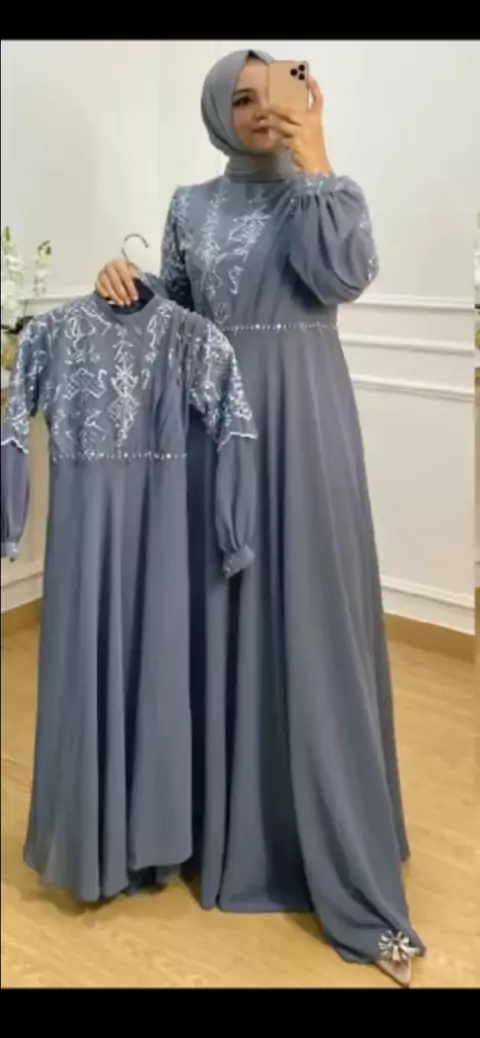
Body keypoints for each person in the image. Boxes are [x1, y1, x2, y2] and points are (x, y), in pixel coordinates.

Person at [95, 48, 425, 985]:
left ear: (304, 95)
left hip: (307, 425)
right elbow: (177, 321)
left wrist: (317, 152)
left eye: (272, 92)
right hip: (216, 431)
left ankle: (336, 845)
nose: (257, 111)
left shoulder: (328, 194)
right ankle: (221, 829)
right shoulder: (189, 206)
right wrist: (126, 286)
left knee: (315, 625)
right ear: (216, 112)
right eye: (239, 99)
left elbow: (346, 275)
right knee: (220, 613)